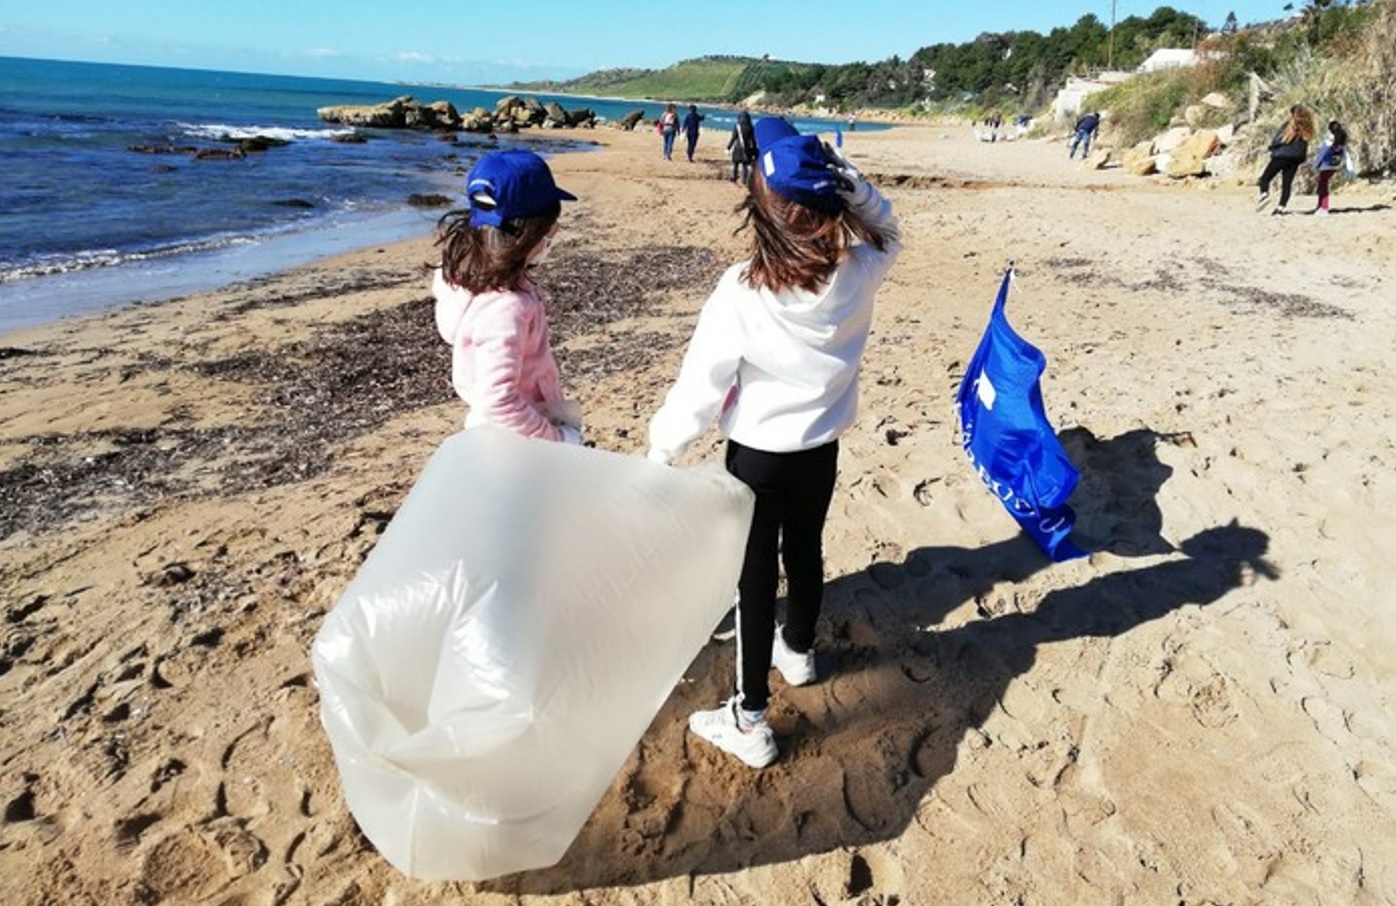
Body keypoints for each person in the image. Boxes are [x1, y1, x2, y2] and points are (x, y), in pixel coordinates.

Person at [646, 117, 902, 768]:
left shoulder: (742, 290)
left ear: (762, 206)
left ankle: (750, 717)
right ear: (831, 206)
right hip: (820, 449)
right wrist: (854, 186)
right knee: (807, 549)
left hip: (756, 459)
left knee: (753, 581)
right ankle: (800, 651)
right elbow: (889, 226)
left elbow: (700, 388)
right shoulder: (859, 268)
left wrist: (661, 450)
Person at [432, 149, 583, 443]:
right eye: (552, 227)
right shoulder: (505, 308)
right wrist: (557, 438)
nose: (556, 233)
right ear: (532, 233)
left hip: (495, 427)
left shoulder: (464, 277)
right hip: (517, 440)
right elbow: (498, 400)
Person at [1257, 104, 1317, 215]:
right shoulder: (1307, 127)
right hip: (1296, 158)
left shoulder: (1289, 125)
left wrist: (1271, 148)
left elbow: (1278, 139)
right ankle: (1281, 208)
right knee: (1287, 184)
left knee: (1265, 178)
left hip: (1282, 156)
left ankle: (1264, 195)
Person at [1311, 119, 1357, 217]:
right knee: (1322, 185)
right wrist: (1350, 169)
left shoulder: (1327, 142)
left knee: (1323, 187)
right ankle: (1320, 207)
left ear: (1329, 130)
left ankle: (1324, 208)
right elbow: (1346, 155)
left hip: (1325, 167)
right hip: (1335, 166)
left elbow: (1320, 155)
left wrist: (1314, 166)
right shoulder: (1341, 142)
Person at [726, 110, 757, 184]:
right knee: (745, 165)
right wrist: (755, 150)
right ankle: (744, 180)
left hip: (738, 147)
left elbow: (733, 138)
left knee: (735, 164)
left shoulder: (737, 126)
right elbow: (753, 140)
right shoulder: (751, 127)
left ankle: (734, 177)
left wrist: (728, 147)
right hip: (747, 148)